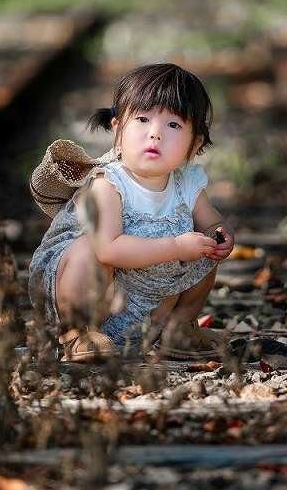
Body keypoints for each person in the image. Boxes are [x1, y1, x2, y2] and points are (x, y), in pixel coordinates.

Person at [28, 62, 236, 362]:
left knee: (206, 248)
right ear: (118, 128)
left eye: (173, 125)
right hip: (91, 293)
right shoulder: (109, 183)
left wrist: (219, 235)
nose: (155, 134)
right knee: (89, 248)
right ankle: (76, 333)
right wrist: (176, 246)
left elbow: (211, 221)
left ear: (195, 144)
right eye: (142, 119)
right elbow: (108, 249)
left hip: (148, 299)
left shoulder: (187, 183)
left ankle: (177, 328)